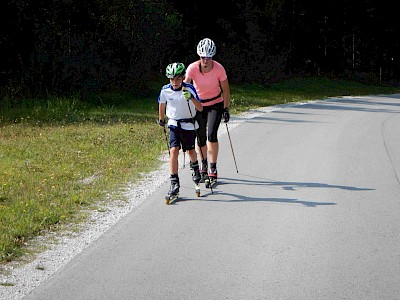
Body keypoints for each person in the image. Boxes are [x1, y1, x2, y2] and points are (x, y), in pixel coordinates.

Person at [184, 38, 231, 183]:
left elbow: (226, 90)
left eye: (208, 57)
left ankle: (213, 166)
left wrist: (226, 108)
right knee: (200, 137)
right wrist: (186, 101)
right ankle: (203, 164)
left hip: (215, 104)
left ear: (212, 57)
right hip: (199, 105)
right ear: (199, 56)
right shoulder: (192, 68)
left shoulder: (219, 68)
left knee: (211, 134)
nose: (205, 60)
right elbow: (185, 87)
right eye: (203, 57)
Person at [157, 62, 203, 200]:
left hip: (188, 124)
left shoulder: (189, 88)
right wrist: (161, 119)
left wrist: (192, 98)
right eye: (172, 79)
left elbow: (200, 108)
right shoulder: (165, 90)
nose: (174, 82)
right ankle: (174, 183)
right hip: (173, 124)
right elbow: (161, 104)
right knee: (174, 151)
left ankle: (196, 170)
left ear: (183, 77)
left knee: (189, 150)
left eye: (177, 78)